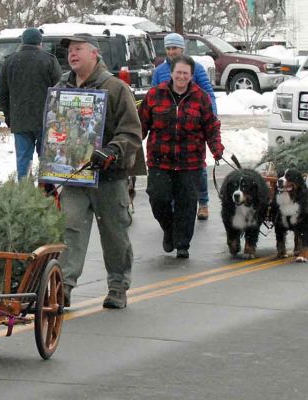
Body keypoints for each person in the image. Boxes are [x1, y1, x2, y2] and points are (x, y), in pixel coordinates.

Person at [56, 33, 145, 309]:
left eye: (78, 49)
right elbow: (53, 130)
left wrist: (112, 150)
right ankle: (64, 287)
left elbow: (131, 132)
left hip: (109, 176)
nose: (72, 54)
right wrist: (48, 169)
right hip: (74, 175)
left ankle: (118, 286)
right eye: (70, 50)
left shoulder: (116, 88)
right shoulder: (61, 87)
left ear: (94, 53)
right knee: (69, 230)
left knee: (115, 234)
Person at [139, 55, 223, 259]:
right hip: (160, 160)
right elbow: (140, 124)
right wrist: (129, 143)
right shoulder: (154, 95)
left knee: (186, 203)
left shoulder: (200, 97)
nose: (182, 77)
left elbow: (211, 126)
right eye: (179, 72)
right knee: (158, 199)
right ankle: (169, 230)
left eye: (186, 73)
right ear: (171, 73)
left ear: (192, 75)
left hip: (190, 162)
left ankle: (183, 243)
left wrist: (216, 147)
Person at [152, 33, 218, 221]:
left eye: (175, 48)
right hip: (167, 129)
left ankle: (203, 203)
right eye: (169, 48)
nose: (172, 51)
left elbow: (208, 94)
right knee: (171, 169)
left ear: (182, 49)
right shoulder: (159, 71)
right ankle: (174, 205)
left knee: (198, 168)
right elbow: (153, 97)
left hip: (192, 127)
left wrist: (211, 118)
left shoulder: (195, 68)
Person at [0, 27, 62, 181]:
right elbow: (59, 90)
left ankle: (25, 195)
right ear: (40, 42)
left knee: (23, 162)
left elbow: (2, 93)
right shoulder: (49, 60)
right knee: (47, 161)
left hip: (20, 120)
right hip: (46, 121)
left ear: (22, 42)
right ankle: (46, 194)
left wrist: (9, 116)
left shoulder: (10, 61)